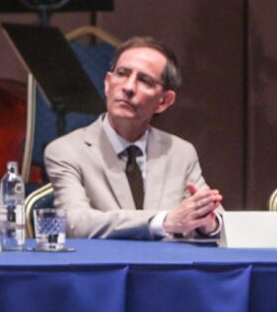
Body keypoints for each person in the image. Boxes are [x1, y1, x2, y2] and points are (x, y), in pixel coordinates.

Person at [43, 36, 222, 239]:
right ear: (107, 84)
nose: (128, 87)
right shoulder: (66, 151)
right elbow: (76, 223)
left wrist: (207, 224)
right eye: (122, 74)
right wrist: (162, 222)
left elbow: (217, 220)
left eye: (144, 80)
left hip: (167, 260)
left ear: (164, 101)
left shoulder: (180, 152)